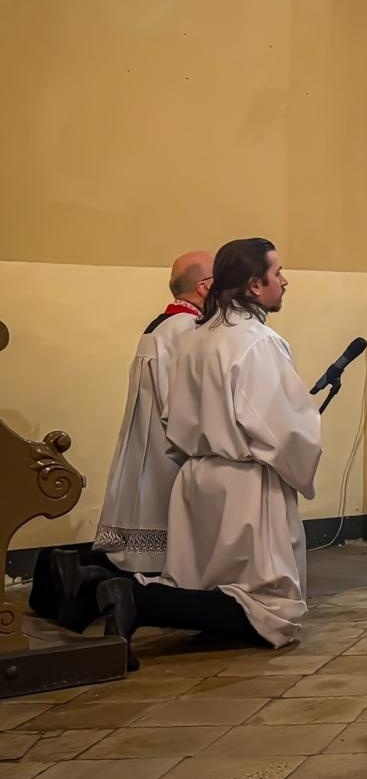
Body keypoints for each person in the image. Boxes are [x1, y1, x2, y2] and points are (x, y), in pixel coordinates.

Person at [89, 239, 322, 666]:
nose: (284, 281)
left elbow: (172, 419)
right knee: (273, 611)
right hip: (245, 486)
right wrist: (303, 455)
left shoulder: (196, 337)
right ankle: (137, 597)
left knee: (204, 588)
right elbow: (284, 428)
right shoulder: (257, 341)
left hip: (196, 479)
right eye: (278, 272)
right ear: (255, 285)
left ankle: (138, 596)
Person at [92, 250, 214, 573]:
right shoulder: (188, 330)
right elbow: (184, 406)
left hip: (149, 451)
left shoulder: (161, 326)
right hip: (170, 455)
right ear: (204, 287)